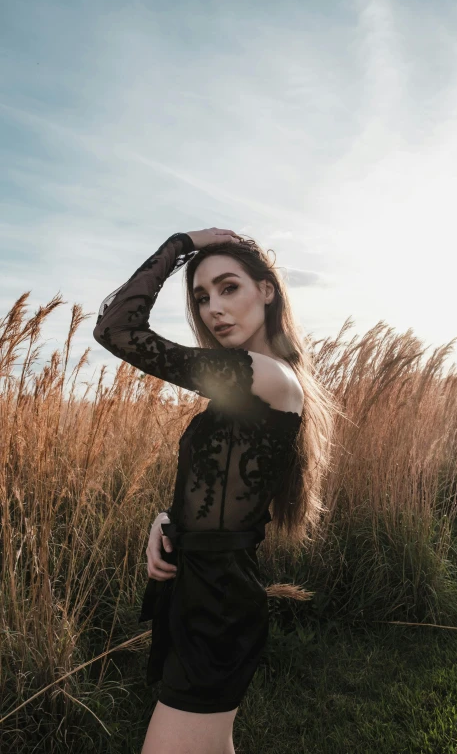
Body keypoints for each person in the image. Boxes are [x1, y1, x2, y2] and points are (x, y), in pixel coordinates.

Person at [93, 227, 336, 754]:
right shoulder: (253, 380)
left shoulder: (263, 376)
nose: (212, 309)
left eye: (229, 288)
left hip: (218, 607)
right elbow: (220, 489)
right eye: (201, 297)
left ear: (266, 291)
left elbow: (117, 329)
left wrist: (180, 244)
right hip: (200, 591)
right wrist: (167, 521)